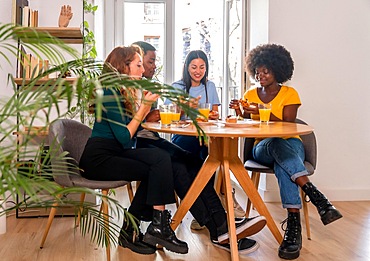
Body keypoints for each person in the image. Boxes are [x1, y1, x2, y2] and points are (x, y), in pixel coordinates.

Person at [130, 43, 267, 254]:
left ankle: (221, 225)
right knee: (185, 166)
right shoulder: (130, 89)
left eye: (147, 63)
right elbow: (133, 126)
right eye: (146, 62)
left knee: (195, 162)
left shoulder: (146, 86)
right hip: (146, 145)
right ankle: (221, 226)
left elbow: (153, 118)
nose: (152, 66)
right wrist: (176, 110)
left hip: (155, 140)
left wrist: (152, 113)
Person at [229, 43, 343, 260]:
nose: (260, 75)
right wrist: (241, 111)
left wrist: (261, 111)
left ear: (278, 70)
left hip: (291, 144)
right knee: (274, 144)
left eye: (266, 71)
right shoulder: (250, 93)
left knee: (284, 161)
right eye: (257, 71)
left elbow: (288, 125)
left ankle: (293, 230)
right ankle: (317, 198)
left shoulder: (290, 93)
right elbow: (247, 123)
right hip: (262, 147)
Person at [79, 45, 188, 255]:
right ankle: (148, 228)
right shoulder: (108, 91)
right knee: (158, 162)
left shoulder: (124, 92)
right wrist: (144, 107)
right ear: (123, 67)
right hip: (98, 158)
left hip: (116, 152)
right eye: (138, 65)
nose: (142, 70)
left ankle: (150, 226)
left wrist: (142, 105)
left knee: (160, 161)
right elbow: (123, 137)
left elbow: (128, 137)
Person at [165, 50, 246, 226]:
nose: (198, 71)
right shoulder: (177, 87)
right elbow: (169, 115)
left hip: (206, 135)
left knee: (215, 154)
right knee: (200, 157)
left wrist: (213, 116)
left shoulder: (210, 86)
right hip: (184, 136)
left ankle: (219, 199)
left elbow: (214, 113)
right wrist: (185, 109)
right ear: (186, 67)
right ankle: (213, 205)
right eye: (194, 67)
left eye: (202, 67)